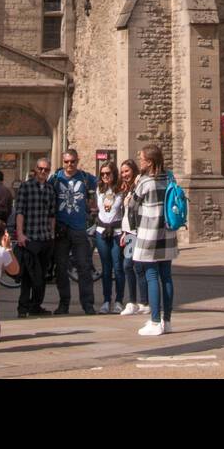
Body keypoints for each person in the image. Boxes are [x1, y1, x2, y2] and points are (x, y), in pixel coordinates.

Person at [131, 144, 177, 336]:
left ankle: (155, 320)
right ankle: (166, 321)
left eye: (141, 158)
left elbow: (132, 205)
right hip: (167, 232)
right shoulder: (170, 177)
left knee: (151, 276)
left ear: (149, 162)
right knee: (166, 276)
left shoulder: (144, 181)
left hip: (149, 233)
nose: (140, 161)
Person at [51, 148, 97, 316]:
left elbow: (104, 185)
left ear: (77, 161)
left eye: (73, 161)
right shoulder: (55, 179)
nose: (69, 165)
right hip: (61, 229)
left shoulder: (86, 178)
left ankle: (88, 304)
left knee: (84, 267)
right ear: (63, 162)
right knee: (61, 268)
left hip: (79, 229)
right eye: (66, 162)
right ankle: (64, 304)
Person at [14, 156, 56, 318]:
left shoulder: (50, 189)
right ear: (35, 169)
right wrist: (20, 234)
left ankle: (35, 305)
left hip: (45, 238)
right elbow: (20, 212)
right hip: (29, 238)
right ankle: (23, 307)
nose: (43, 172)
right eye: (40, 169)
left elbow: (52, 214)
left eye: (46, 170)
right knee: (29, 276)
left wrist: (51, 233)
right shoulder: (26, 187)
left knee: (42, 276)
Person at [118, 158, 149, 316]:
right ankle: (133, 302)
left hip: (138, 232)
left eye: (127, 171)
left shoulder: (138, 186)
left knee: (135, 267)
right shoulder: (127, 189)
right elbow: (126, 214)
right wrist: (124, 232)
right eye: (122, 172)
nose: (124, 174)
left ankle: (143, 302)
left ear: (134, 171)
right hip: (129, 232)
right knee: (129, 266)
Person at [94, 160, 124, 313]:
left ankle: (119, 300)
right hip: (101, 231)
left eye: (108, 173)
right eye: (103, 174)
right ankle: (106, 300)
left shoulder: (121, 190)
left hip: (117, 231)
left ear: (114, 174)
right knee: (106, 268)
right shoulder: (99, 189)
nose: (105, 176)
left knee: (118, 266)